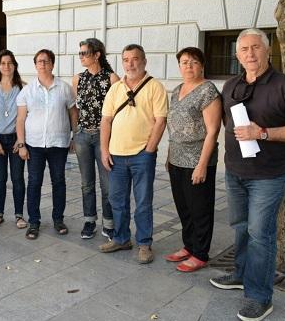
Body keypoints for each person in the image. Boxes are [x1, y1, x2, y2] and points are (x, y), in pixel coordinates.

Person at [209, 28, 285, 321]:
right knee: (241, 226)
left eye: (256, 47)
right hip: (235, 170)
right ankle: (242, 274)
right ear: (238, 55)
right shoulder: (231, 85)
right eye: (244, 49)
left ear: (268, 51)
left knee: (260, 235)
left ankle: (259, 297)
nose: (250, 54)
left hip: (269, 175)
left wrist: (263, 132)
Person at [99, 44, 168, 264]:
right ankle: (121, 238)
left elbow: (160, 120)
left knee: (143, 201)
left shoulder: (155, 86)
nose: (130, 63)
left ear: (144, 61)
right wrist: (104, 149)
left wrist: (149, 150)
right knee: (117, 200)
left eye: (135, 59)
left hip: (141, 155)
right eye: (126, 59)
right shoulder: (115, 89)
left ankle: (144, 243)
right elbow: (106, 120)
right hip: (116, 155)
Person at [165, 47, 222, 272]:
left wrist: (201, 165)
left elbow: (213, 130)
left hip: (198, 160)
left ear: (202, 65)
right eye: (184, 62)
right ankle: (188, 246)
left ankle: (200, 253)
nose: (188, 66)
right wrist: (169, 155)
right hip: (177, 158)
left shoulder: (208, 91)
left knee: (200, 208)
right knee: (184, 207)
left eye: (194, 62)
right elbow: (173, 126)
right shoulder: (177, 90)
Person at [16, 49, 77, 240]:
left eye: (46, 61)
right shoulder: (27, 91)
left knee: (59, 181)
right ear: (35, 65)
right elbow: (20, 119)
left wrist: (74, 136)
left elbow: (73, 113)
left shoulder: (65, 88)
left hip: (58, 144)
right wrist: (21, 144)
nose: (42, 64)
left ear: (52, 64)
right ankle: (34, 222)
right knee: (34, 182)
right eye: (39, 61)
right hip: (34, 145)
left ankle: (58, 219)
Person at [72, 38, 119, 239]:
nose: (81, 56)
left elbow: (117, 112)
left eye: (85, 53)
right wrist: (75, 133)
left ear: (97, 54)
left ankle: (108, 224)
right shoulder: (77, 79)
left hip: (103, 136)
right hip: (83, 135)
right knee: (86, 182)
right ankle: (89, 220)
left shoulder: (112, 78)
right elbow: (76, 108)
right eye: (80, 53)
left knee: (107, 183)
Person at [0, 49, 28, 230]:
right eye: (2, 63)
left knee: (18, 178)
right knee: (0, 178)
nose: (6, 66)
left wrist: (21, 140)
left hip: (17, 139)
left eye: (9, 63)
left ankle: (19, 215)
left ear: (15, 65)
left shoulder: (23, 87)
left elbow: (26, 116)